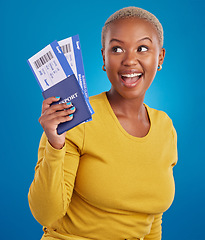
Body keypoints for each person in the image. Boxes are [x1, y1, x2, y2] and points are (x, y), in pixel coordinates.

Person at [28, 6, 178, 240]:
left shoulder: (165, 127)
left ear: (160, 57)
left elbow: (151, 220)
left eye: (142, 48)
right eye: (117, 49)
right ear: (104, 58)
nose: (130, 60)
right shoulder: (76, 117)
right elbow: (45, 214)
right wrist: (55, 145)